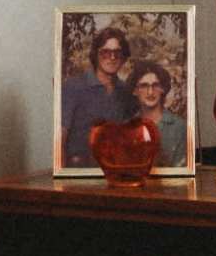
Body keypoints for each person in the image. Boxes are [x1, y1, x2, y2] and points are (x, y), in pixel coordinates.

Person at [60, 25, 132, 167]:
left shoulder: (126, 91)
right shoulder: (74, 87)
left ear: (123, 57)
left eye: (117, 53)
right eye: (105, 52)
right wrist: (63, 180)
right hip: (78, 175)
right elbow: (59, 140)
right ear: (96, 55)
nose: (112, 57)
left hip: (114, 173)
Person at [126, 58, 186, 170]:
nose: (150, 92)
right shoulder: (127, 127)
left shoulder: (180, 127)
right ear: (135, 91)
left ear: (162, 89)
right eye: (144, 86)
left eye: (155, 85)